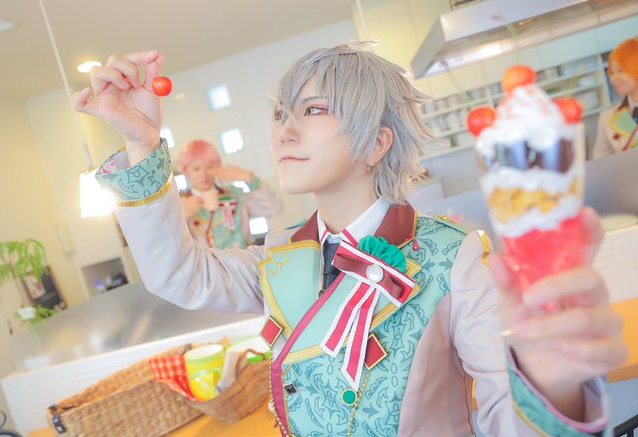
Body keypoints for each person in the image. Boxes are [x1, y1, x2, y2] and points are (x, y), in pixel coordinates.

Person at [74, 44, 626, 436]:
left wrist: (552, 387)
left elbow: (504, 416)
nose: (284, 130)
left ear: (376, 143)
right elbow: (177, 274)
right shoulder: (280, 256)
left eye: (313, 110)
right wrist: (142, 142)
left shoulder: (448, 254)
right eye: (281, 113)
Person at [177, 139, 282, 248]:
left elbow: (274, 208)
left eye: (209, 167)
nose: (204, 174)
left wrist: (248, 177)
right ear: (185, 171)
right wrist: (182, 216)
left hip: (242, 257)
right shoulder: (179, 205)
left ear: (217, 167)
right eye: (196, 169)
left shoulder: (235, 196)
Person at [594, 37, 638, 158]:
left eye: (620, 71)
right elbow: (601, 162)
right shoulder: (607, 118)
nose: (613, 79)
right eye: (611, 72)